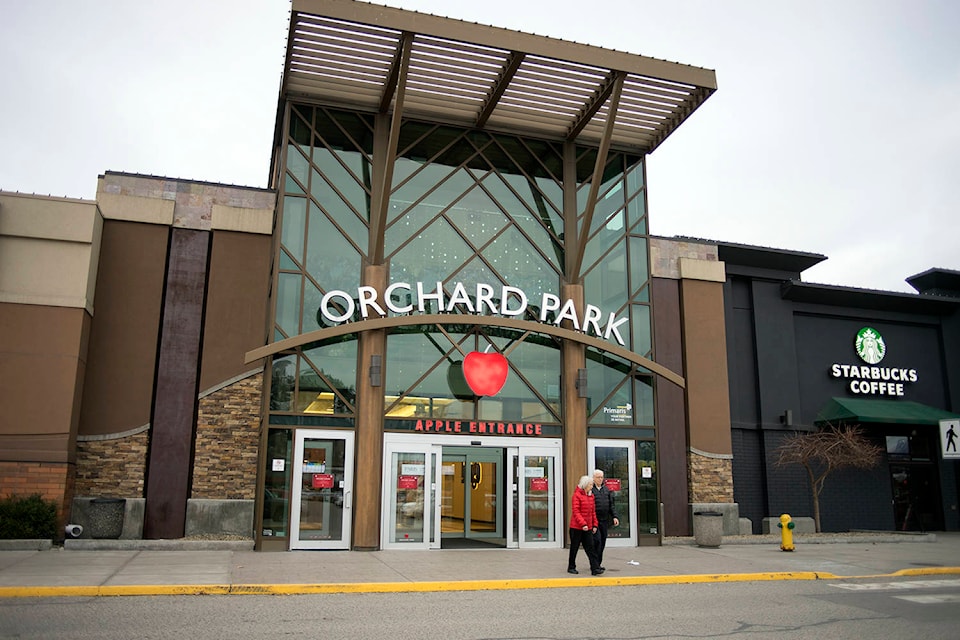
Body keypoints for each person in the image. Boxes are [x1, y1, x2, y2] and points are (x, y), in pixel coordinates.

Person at [567, 475, 603, 576]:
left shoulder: (591, 496)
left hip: (588, 527)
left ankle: (595, 568)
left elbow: (593, 512)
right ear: (585, 485)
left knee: (590, 548)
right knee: (574, 547)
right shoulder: (577, 495)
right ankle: (571, 566)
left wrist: (594, 525)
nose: (592, 486)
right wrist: (583, 524)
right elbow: (576, 511)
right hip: (576, 527)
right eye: (591, 484)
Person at [592, 468, 619, 570]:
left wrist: (614, 516)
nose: (600, 479)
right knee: (597, 541)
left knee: (602, 542)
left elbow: (611, 505)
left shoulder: (606, 490)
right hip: (595, 521)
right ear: (593, 478)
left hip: (604, 520)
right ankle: (595, 565)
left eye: (601, 477)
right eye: (598, 477)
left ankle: (598, 563)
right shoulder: (591, 490)